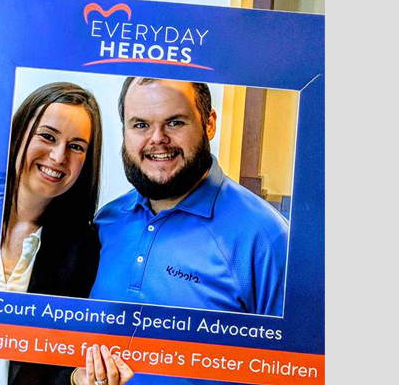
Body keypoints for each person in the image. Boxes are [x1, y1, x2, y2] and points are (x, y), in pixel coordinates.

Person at [89, 78, 288, 384]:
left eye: (175, 122)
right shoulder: (107, 223)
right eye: (140, 124)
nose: (158, 139)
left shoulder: (266, 239)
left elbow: (297, 369)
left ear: (209, 124)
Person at [0, 82, 133, 385]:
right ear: (19, 132)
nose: (57, 156)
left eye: (76, 146)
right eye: (48, 136)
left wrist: (81, 379)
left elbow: (60, 366)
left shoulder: (86, 252)